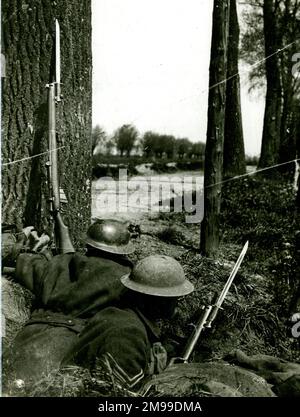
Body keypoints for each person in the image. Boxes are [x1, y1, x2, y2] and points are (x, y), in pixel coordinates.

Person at [3, 219, 134, 384]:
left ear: (89, 244)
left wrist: (25, 251)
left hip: (27, 337)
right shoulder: (127, 277)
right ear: (124, 250)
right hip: (70, 345)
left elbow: (30, 266)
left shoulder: (63, 262)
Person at [62, 254, 195, 391]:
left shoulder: (116, 314)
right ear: (160, 301)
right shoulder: (128, 334)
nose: (178, 303)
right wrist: (166, 377)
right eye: (175, 298)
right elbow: (123, 395)